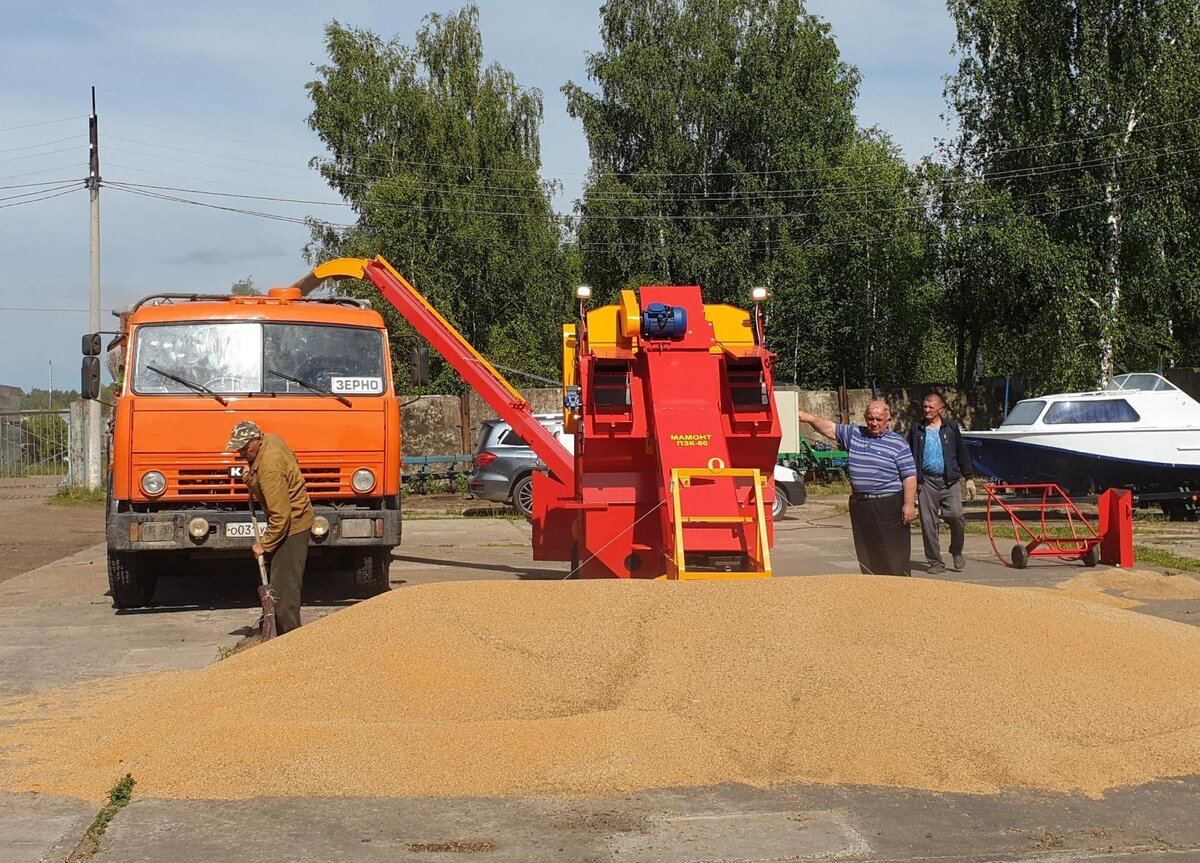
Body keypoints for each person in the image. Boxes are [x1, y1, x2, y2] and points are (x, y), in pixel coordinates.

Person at [798, 400, 917, 576]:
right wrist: (807, 417)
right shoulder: (855, 433)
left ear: (888, 420)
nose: (874, 423)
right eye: (870, 418)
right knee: (867, 552)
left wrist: (909, 504)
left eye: (878, 419)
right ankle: (871, 587)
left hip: (888, 504)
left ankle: (899, 589)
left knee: (893, 555)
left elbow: (909, 476)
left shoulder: (898, 443)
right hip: (861, 504)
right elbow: (830, 429)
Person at [226, 420, 314, 634]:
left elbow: (281, 516)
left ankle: (290, 637)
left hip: (292, 527)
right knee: (275, 582)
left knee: (284, 592)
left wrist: (264, 544)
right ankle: (273, 628)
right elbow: (293, 459)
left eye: (245, 448)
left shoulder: (269, 469)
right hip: (289, 522)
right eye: (238, 448)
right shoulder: (272, 439)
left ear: (257, 439)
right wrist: (251, 477)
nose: (241, 453)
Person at [906, 392, 977, 574]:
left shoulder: (950, 427)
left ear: (940, 409)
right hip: (926, 482)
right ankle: (935, 562)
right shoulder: (917, 429)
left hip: (950, 481)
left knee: (955, 515)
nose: (927, 410)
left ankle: (956, 550)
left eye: (931, 407)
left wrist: (969, 478)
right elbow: (908, 455)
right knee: (928, 522)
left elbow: (962, 453)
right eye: (924, 407)